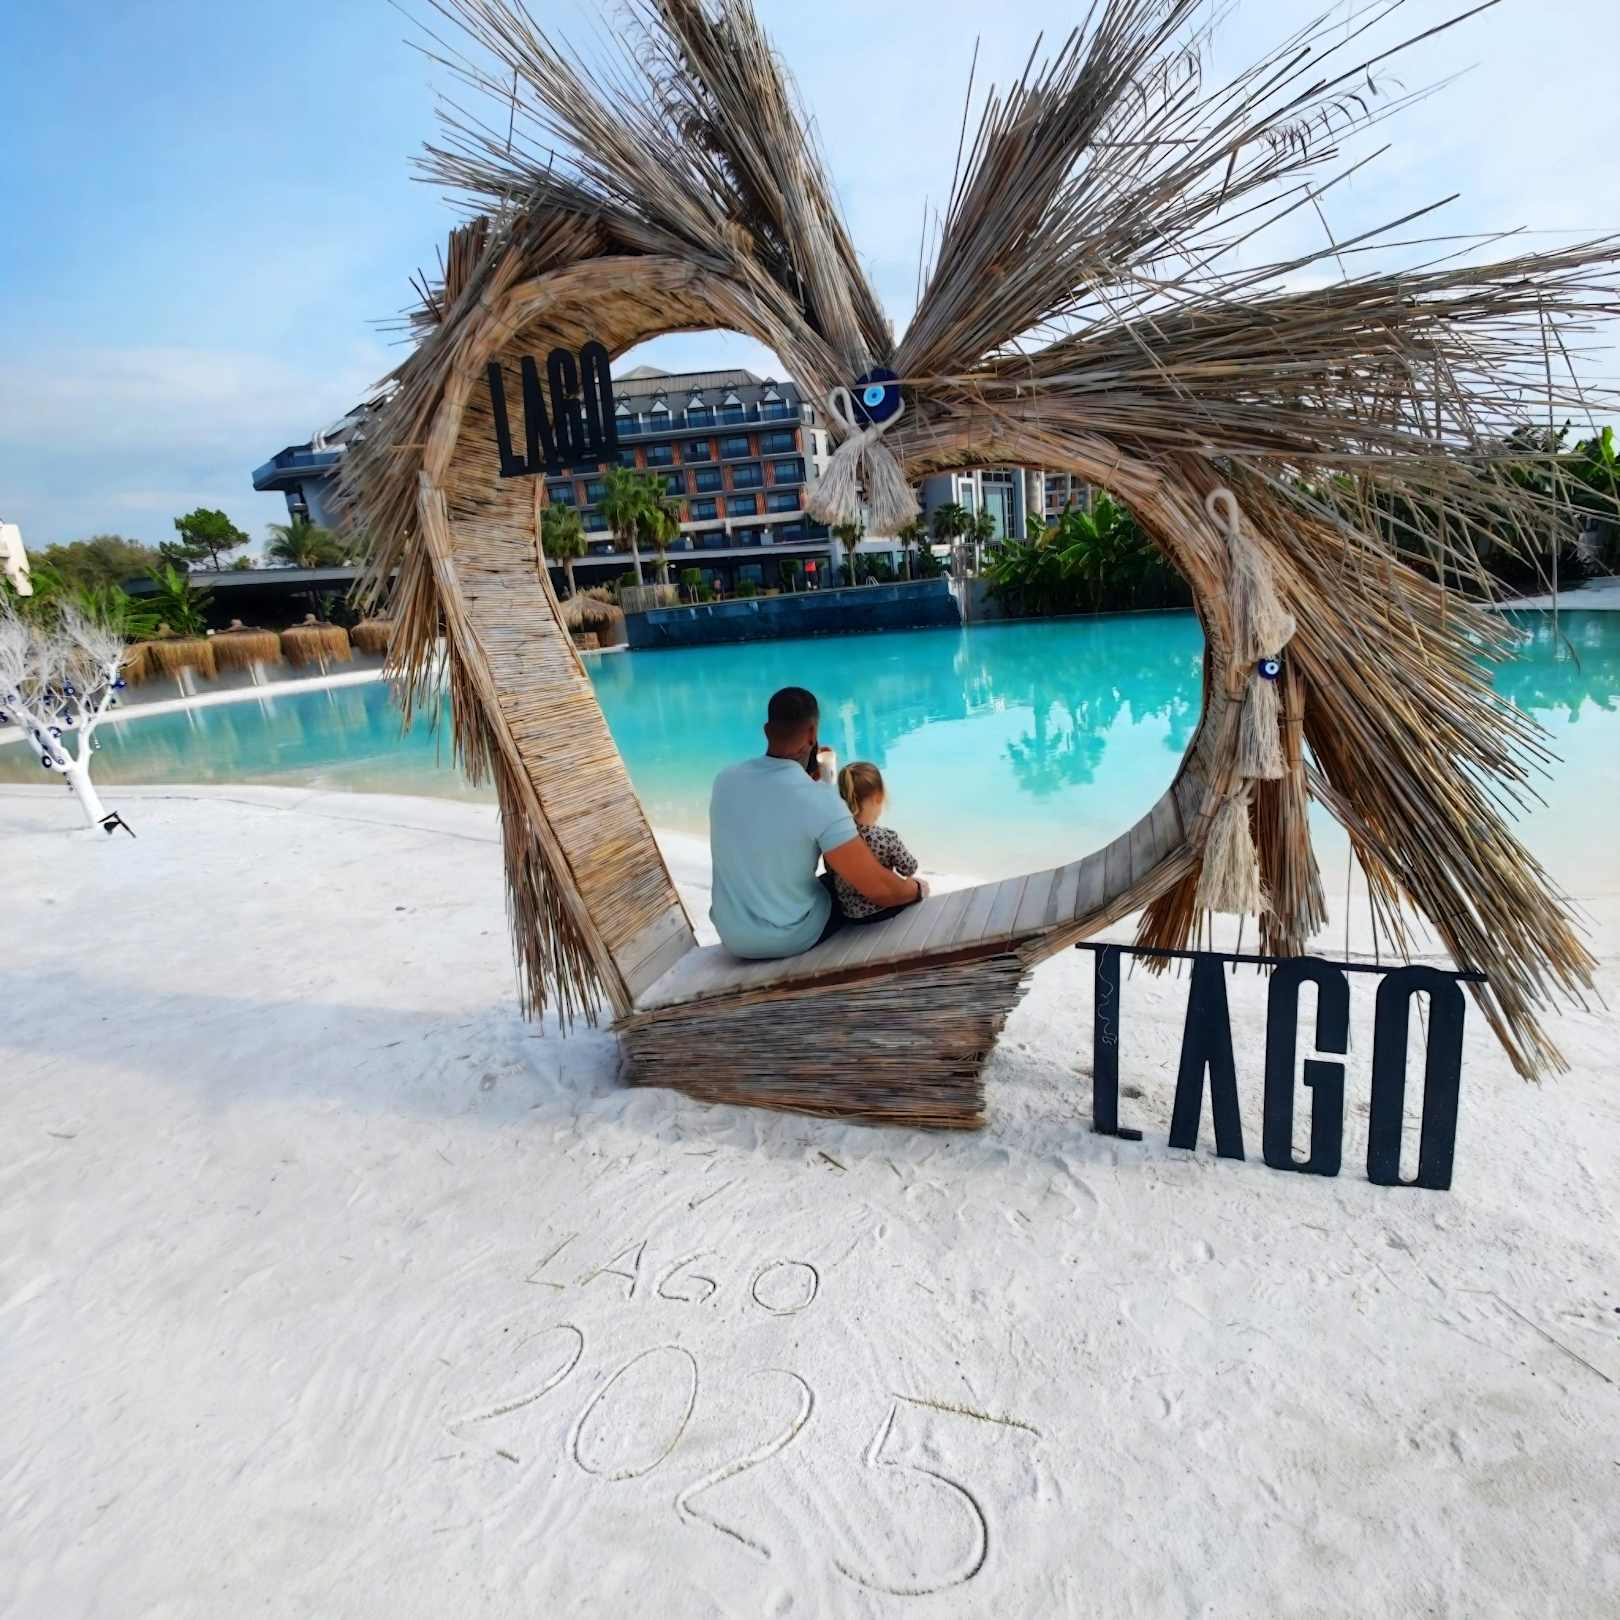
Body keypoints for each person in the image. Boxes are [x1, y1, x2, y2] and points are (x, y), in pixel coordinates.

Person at [709, 687, 928, 960]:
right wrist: (916, 889)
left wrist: (814, 784)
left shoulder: (725, 780)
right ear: (812, 734)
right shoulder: (820, 801)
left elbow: (772, 815)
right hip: (789, 937)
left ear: (767, 731)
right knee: (852, 890)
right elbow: (878, 889)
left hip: (733, 936)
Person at [830, 762, 919, 926]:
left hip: (850, 913)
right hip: (884, 909)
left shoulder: (837, 838)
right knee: (920, 886)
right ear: (878, 797)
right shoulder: (886, 838)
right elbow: (909, 868)